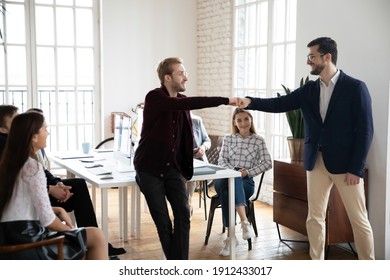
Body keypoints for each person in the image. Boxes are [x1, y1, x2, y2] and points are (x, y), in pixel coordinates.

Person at [238, 37, 375, 260]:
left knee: (359, 219)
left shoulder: (355, 87)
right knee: (315, 217)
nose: (308, 61)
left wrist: (356, 168)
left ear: (327, 57)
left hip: (346, 166)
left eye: (312, 56)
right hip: (315, 162)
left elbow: (366, 131)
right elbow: (278, 104)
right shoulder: (308, 90)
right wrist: (250, 102)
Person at [133, 57, 237, 260]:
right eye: (181, 73)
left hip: (172, 169)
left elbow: (182, 135)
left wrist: (188, 159)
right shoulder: (154, 97)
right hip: (149, 168)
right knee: (163, 222)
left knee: (183, 216)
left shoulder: (181, 102)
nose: (186, 77)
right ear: (167, 77)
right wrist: (225, 100)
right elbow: (188, 103)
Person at [0, 106, 126, 259]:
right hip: (29, 245)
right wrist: (71, 229)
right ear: (33, 136)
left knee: (89, 234)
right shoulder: (32, 167)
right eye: (45, 129)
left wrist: (56, 208)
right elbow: (48, 221)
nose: (48, 133)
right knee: (96, 236)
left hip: (8, 241)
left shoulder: (9, 163)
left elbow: (19, 207)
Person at [214, 108, 272, 256]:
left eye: (246, 119)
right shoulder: (228, 138)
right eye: (239, 120)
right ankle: (245, 222)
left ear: (251, 120)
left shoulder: (258, 140)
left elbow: (267, 163)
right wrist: (232, 172)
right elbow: (221, 160)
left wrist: (248, 172)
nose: (243, 123)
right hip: (225, 177)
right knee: (231, 180)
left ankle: (231, 237)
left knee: (229, 190)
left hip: (246, 181)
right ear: (234, 122)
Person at [186, 113, 211, 216]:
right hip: (178, 159)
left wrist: (203, 148)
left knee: (188, 174)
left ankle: (186, 204)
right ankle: (184, 205)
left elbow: (207, 140)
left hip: (197, 158)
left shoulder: (196, 120)